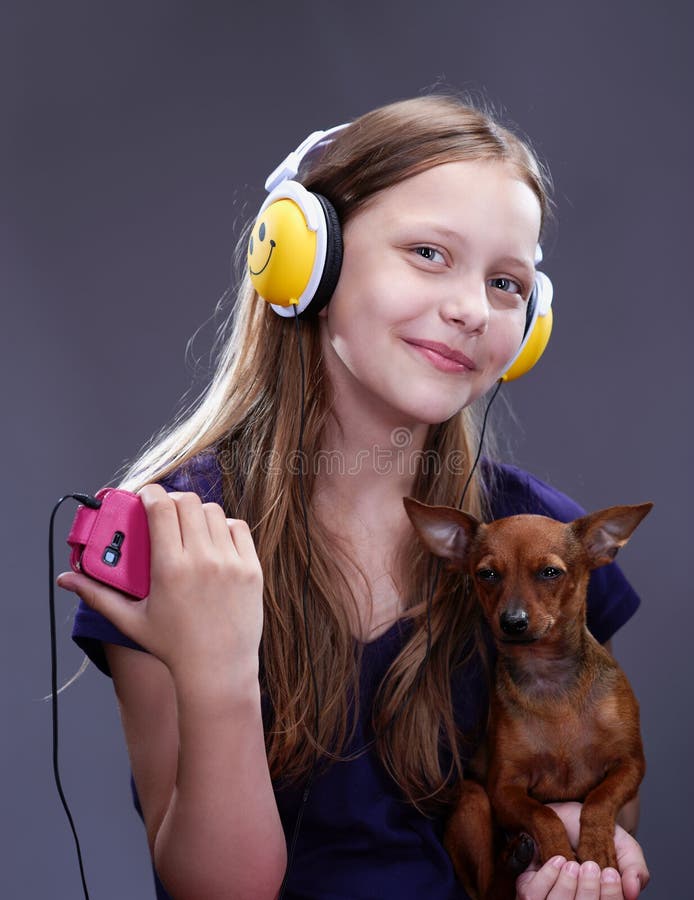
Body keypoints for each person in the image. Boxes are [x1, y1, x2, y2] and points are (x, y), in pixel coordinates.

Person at [58, 95, 650, 900]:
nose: (472, 308)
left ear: (532, 321)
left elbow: (586, 807)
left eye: (507, 282)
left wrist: (579, 860)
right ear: (306, 260)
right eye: (430, 254)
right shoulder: (175, 534)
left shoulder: (536, 540)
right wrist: (221, 666)